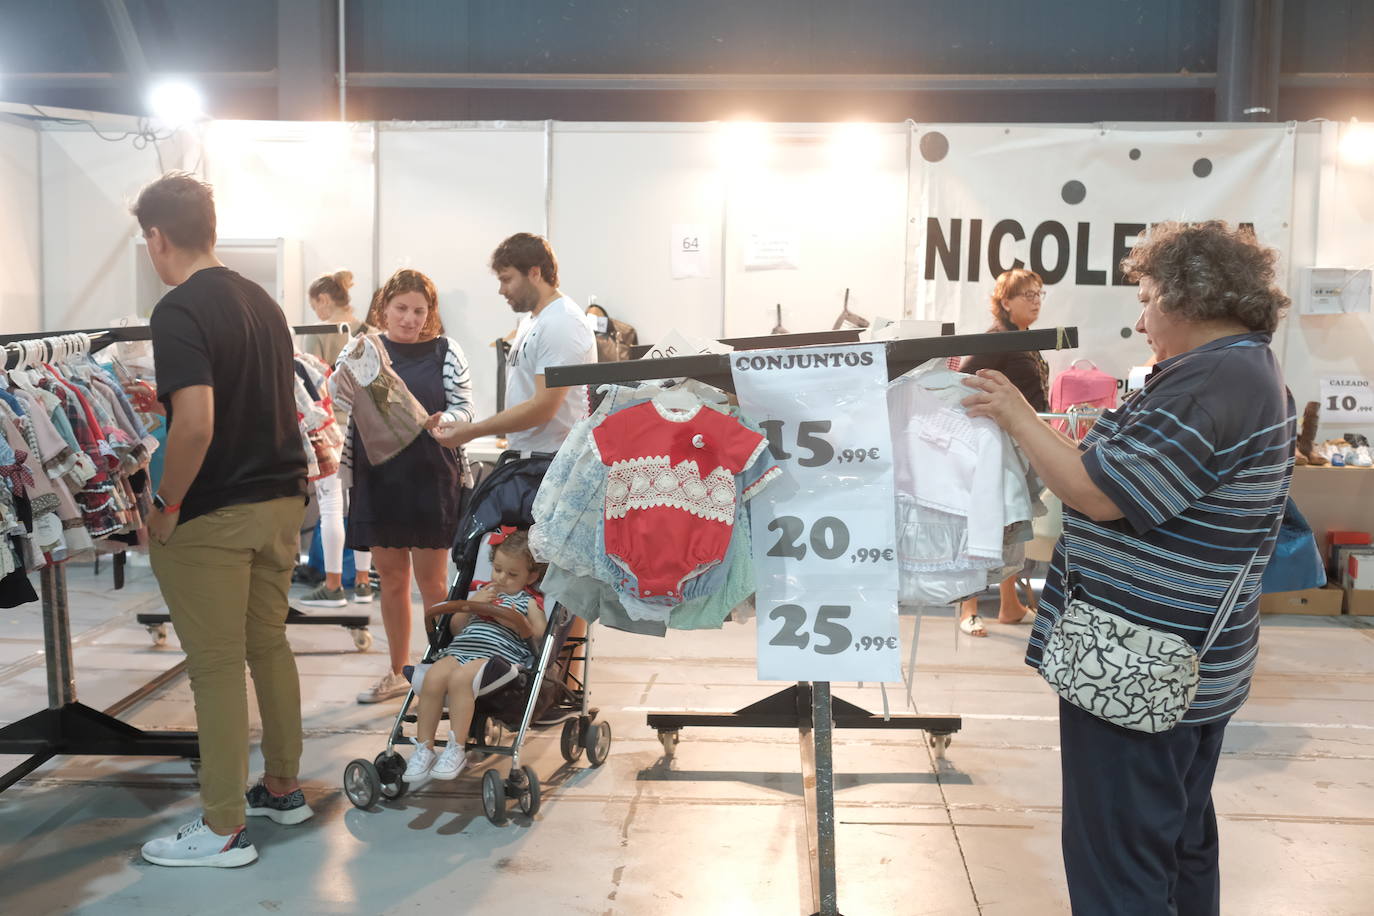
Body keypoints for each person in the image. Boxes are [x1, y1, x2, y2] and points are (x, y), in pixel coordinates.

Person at [961, 221, 1294, 915]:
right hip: (1179, 664)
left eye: (1147, 300)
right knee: (1174, 846)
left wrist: (1019, 418)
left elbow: (1099, 494)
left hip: (1140, 666)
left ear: (1190, 298)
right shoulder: (1233, 371)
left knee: (1120, 864)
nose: (1141, 321)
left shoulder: (1216, 381)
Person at [125, 172, 312, 868]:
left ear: (157, 237)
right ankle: (284, 789)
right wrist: (166, 403)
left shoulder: (177, 310)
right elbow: (245, 399)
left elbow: (199, 425)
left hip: (214, 511)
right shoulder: (261, 301)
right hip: (280, 501)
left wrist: (164, 504)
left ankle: (222, 827)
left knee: (213, 666)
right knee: (268, 645)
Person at [339, 269, 474, 704]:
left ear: (430, 313)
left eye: (420, 310)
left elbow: (465, 406)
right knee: (392, 579)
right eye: (402, 308)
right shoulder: (364, 350)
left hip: (431, 476)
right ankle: (398, 672)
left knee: (433, 582)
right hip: (378, 476)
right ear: (384, 308)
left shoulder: (446, 351)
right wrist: (341, 374)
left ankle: (439, 673)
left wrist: (448, 421)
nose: (410, 318)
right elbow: (336, 397)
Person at [404, 530, 547, 784]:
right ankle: (423, 749)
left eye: (512, 574)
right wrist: (472, 604)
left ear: (531, 576)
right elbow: (456, 629)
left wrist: (518, 623)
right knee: (433, 677)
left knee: (461, 680)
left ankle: (456, 749)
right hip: (462, 648)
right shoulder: (482, 592)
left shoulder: (529, 602)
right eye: (498, 569)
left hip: (497, 656)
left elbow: (538, 637)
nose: (502, 578)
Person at [433, 232, 595, 454]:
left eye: (506, 279)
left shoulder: (562, 323)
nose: (501, 290)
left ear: (535, 273)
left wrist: (473, 430)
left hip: (551, 463)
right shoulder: (533, 321)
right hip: (532, 460)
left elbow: (543, 407)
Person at [956, 268, 1050, 636]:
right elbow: (962, 379)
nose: (1036, 301)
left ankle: (1009, 606)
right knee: (986, 521)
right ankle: (968, 607)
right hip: (998, 446)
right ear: (1005, 301)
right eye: (1027, 295)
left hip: (1024, 441)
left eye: (1040, 294)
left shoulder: (1026, 339)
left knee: (1013, 523)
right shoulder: (995, 338)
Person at [299, 270, 373, 608]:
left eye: (316, 306)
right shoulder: (371, 333)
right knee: (360, 505)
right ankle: (361, 583)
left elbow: (311, 387)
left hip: (332, 428)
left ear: (325, 300)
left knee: (331, 507)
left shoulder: (321, 333)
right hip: (367, 430)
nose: (317, 314)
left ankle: (332, 586)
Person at [302, 269, 367, 367]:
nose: (317, 316)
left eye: (314, 307)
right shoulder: (372, 332)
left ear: (324, 300)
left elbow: (313, 378)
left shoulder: (315, 334)